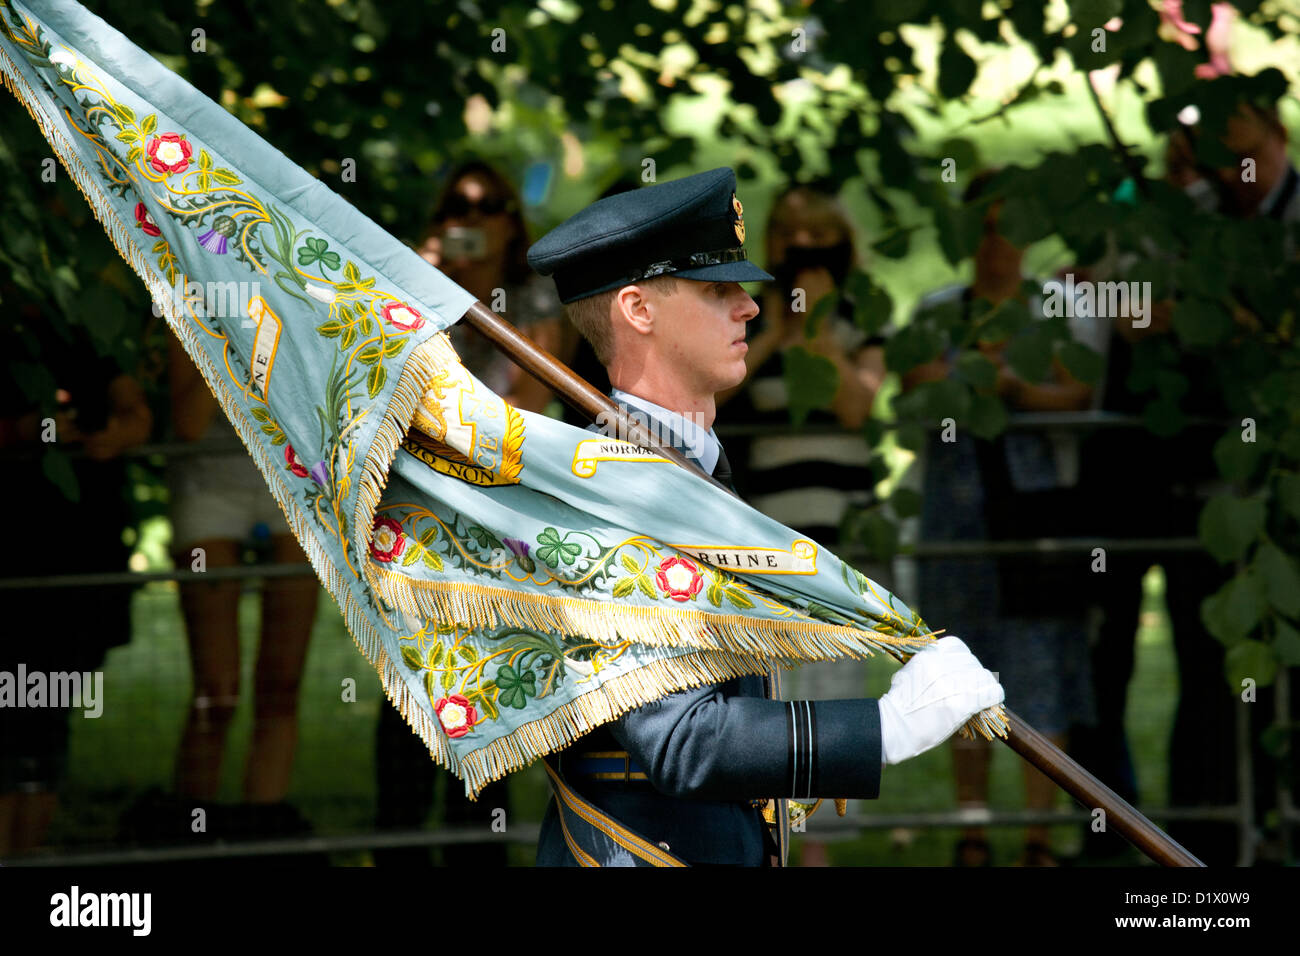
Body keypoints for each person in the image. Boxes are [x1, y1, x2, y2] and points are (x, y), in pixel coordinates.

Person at [524, 167, 1005, 866]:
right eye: (717, 290)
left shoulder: (678, 468)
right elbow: (679, 739)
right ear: (639, 310)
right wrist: (887, 726)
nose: (750, 308)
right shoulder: (619, 490)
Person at [902, 171, 1100, 866]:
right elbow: (913, 390)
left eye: (1009, 228)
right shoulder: (937, 311)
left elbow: (1081, 393)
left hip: (1037, 520)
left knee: (1041, 668)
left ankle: (1040, 838)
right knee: (961, 673)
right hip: (954, 525)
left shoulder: (1059, 309)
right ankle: (974, 831)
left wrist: (1014, 390)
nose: (996, 246)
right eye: (985, 228)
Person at [376, 160, 562, 865]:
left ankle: (477, 856)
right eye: (459, 203)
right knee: (405, 688)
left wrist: (484, 304)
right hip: (419, 517)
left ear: (514, 222)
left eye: (489, 206)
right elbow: (396, 391)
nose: (472, 218)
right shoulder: (414, 292)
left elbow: (533, 404)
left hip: (496, 521)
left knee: (485, 689)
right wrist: (428, 287)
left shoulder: (533, 297)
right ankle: (394, 845)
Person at [718, 183, 888, 864]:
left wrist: (816, 331)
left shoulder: (862, 313)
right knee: (773, 696)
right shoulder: (750, 314)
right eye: (791, 233)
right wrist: (782, 332)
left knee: (835, 693)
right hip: (765, 540)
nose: (806, 246)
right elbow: (717, 400)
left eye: (820, 232)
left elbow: (858, 408)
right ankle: (777, 839)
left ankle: (819, 850)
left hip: (844, 537)